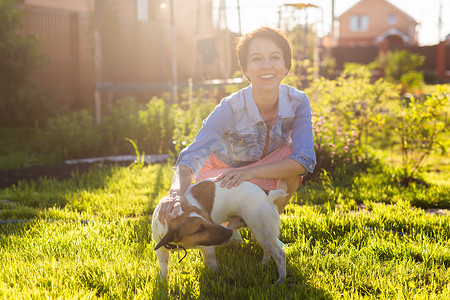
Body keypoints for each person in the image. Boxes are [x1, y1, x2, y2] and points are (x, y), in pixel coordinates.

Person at [158, 27, 316, 222]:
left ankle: (264, 227)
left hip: (253, 173)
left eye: (275, 57)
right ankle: (232, 223)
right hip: (220, 177)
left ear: (286, 66)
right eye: (256, 59)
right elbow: (193, 154)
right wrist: (175, 192)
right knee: (237, 191)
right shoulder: (231, 107)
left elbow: (304, 159)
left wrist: (249, 173)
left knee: (291, 165)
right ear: (245, 69)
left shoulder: (298, 101)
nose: (266, 66)